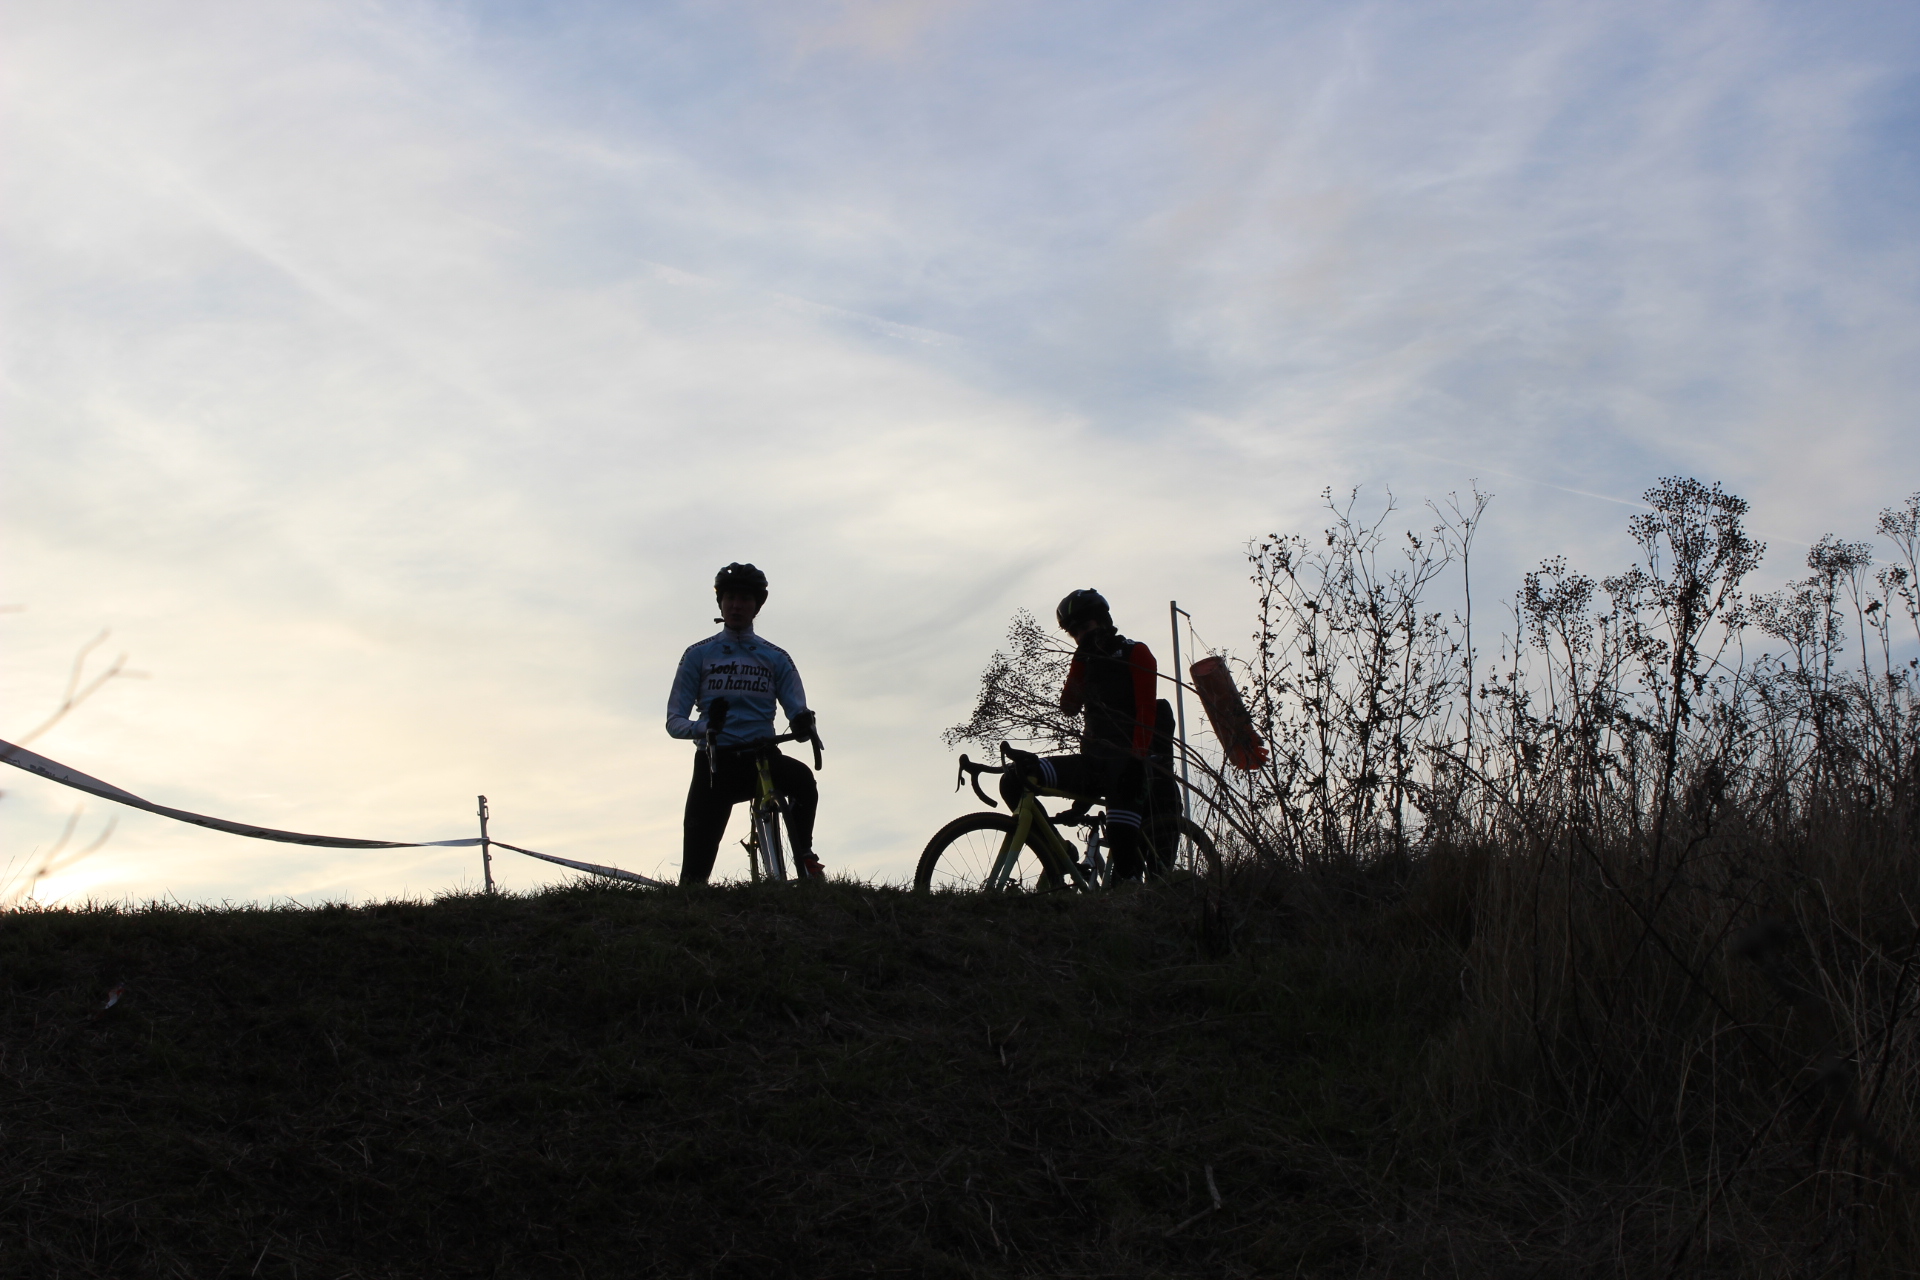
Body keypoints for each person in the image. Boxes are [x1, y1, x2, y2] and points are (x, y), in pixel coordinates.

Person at [665, 562, 824, 886]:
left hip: (762, 757)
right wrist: (704, 727)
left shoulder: (775, 657)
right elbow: (673, 721)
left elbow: (796, 706)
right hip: (715, 764)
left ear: (757, 606)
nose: (737, 605)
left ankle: (805, 855)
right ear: (720, 602)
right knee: (693, 879)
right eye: (730, 598)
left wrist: (802, 722)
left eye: (745, 599)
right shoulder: (698, 655)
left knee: (804, 781)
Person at [1003, 589, 1158, 881]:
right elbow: (1069, 707)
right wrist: (1081, 661)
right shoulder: (1085, 659)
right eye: (1074, 633)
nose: (1080, 636)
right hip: (1093, 764)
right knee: (1014, 779)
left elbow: (1146, 711)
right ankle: (1056, 852)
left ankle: (1134, 893)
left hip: (1128, 767)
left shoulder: (1135, 652)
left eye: (1085, 627)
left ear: (1103, 621)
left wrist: (1137, 760)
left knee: (1123, 861)